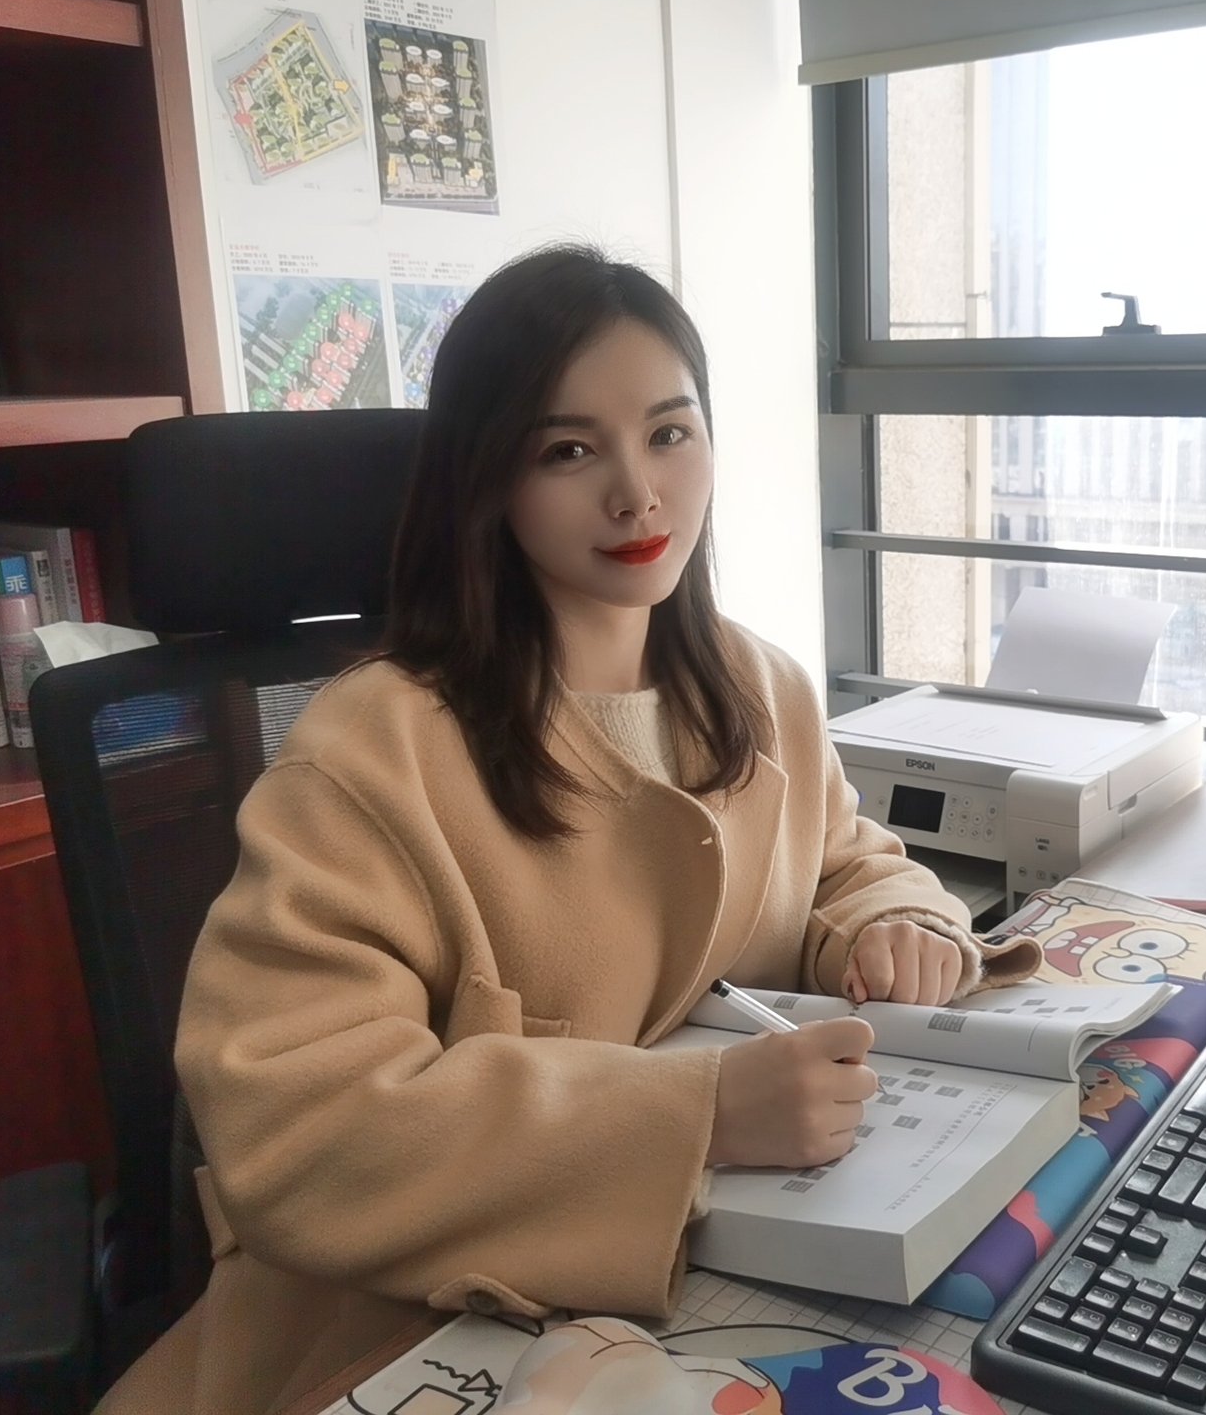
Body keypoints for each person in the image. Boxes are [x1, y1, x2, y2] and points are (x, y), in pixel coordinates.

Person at [100, 246, 1039, 1414]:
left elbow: (842, 858)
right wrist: (699, 1119)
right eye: (569, 451)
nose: (638, 495)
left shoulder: (762, 689)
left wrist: (892, 922)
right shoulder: (369, 753)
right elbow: (299, 1131)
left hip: (723, 1293)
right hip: (406, 1334)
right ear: (487, 478)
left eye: (669, 433)